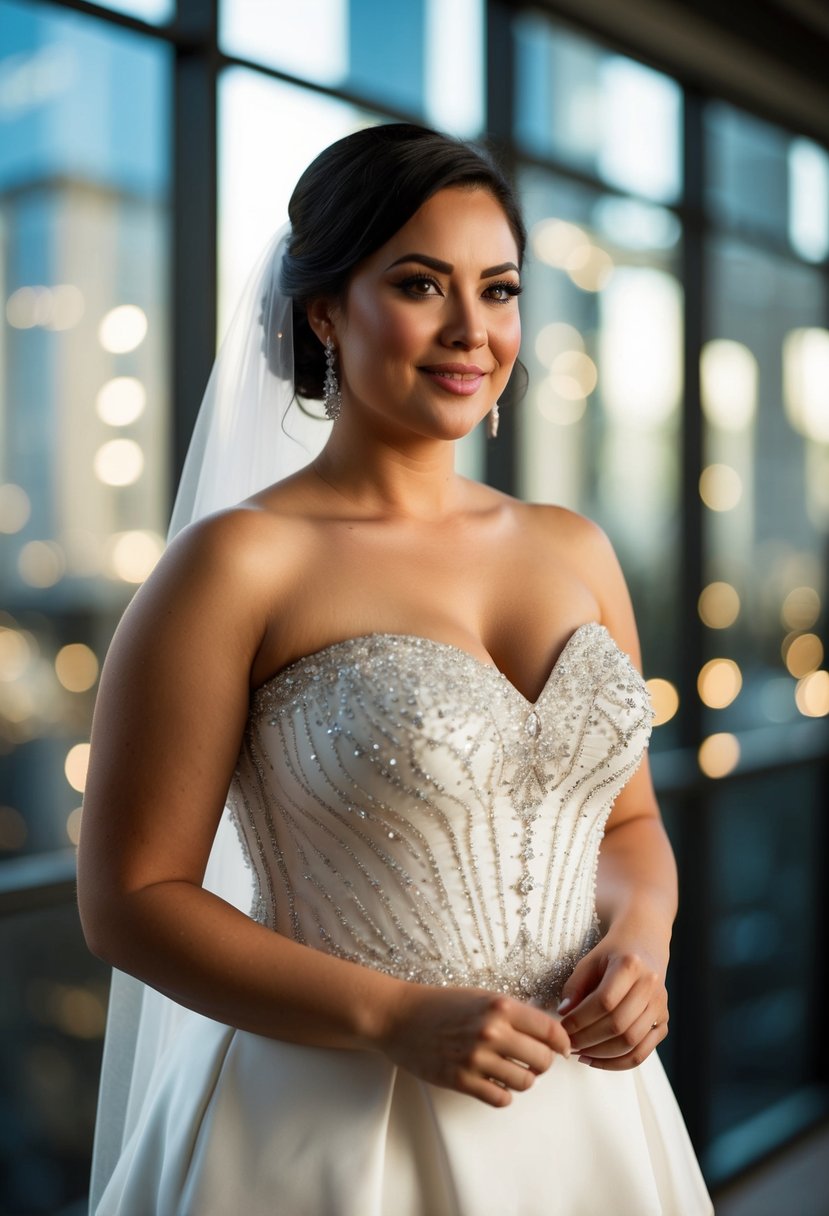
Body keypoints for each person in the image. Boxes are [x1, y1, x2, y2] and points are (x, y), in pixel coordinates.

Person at [78, 123, 713, 1215]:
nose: (472, 328)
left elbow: (625, 826)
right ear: (325, 310)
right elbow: (130, 899)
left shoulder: (574, 546)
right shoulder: (237, 562)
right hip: (330, 1122)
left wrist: (641, 946)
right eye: (421, 284)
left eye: (500, 289)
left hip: (588, 1108)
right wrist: (390, 1015)